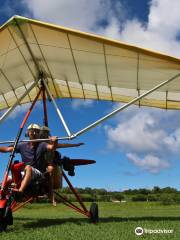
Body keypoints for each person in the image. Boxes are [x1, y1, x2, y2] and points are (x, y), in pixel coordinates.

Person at [0, 123, 58, 199]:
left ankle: (20, 192)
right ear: (28, 133)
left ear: (39, 134)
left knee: (28, 168)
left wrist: (55, 141)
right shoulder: (22, 145)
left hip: (38, 173)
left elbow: (52, 147)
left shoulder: (42, 144)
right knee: (7, 179)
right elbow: (7, 149)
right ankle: (3, 197)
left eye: (36, 131)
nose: (34, 133)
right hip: (25, 172)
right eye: (32, 131)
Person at [40, 125, 84, 206]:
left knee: (65, 159)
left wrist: (76, 145)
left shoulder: (51, 143)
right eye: (43, 133)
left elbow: (64, 144)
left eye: (46, 133)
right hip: (42, 164)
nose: (44, 135)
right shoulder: (38, 144)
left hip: (53, 162)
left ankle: (70, 169)